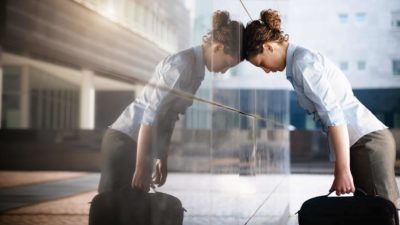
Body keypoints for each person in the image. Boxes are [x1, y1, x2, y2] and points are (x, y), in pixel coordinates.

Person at [243, 9, 399, 205]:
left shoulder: (302, 63)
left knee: (382, 214)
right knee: (373, 214)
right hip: (362, 144)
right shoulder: (298, 63)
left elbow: (334, 115)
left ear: (268, 47)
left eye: (261, 63)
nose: (266, 71)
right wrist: (340, 166)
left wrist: (342, 169)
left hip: (367, 144)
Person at [98, 11, 244, 193]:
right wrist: (142, 165)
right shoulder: (183, 65)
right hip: (125, 141)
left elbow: (170, 116)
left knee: (131, 212)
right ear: (217, 48)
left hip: (139, 146)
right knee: (111, 211)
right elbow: (151, 114)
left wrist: (161, 157)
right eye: (227, 64)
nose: (224, 71)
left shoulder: (196, 72)